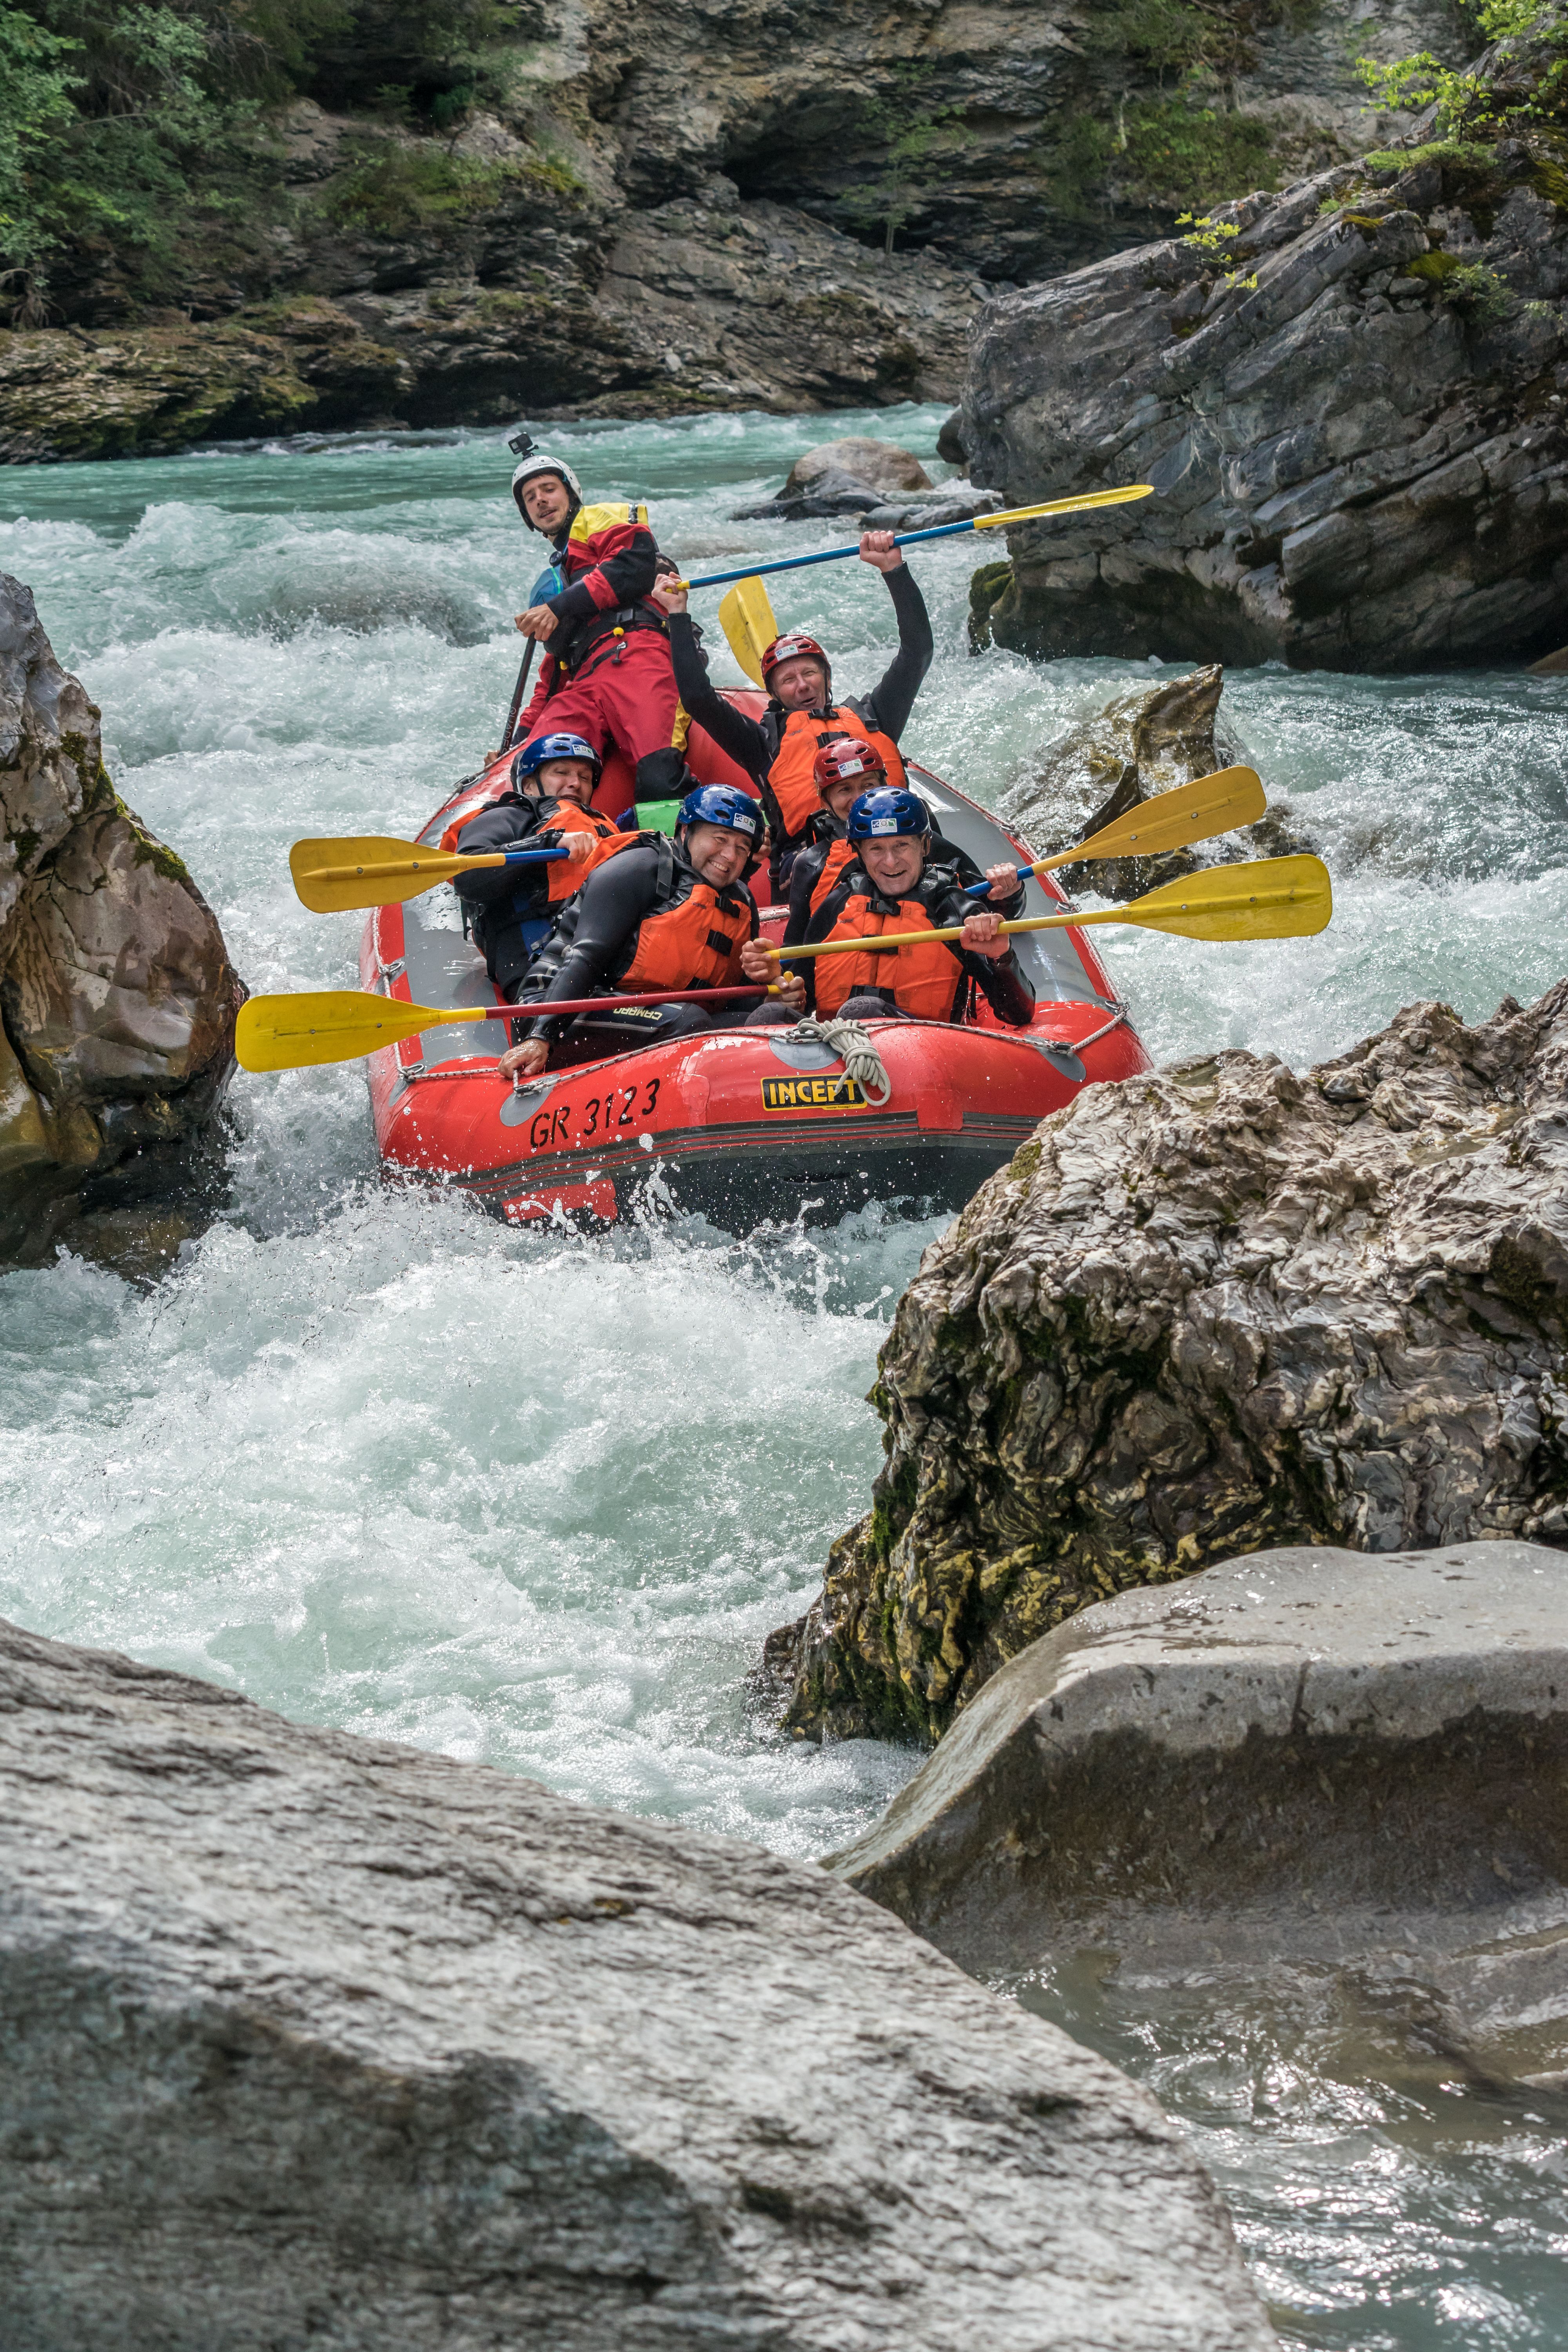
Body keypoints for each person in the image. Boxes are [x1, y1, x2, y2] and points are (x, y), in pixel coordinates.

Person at [661, 530, 934, 893]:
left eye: (809, 673)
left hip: (895, 844)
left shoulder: (873, 716)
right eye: (788, 680)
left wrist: (893, 571)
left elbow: (917, 653)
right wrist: (678, 616)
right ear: (774, 694)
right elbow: (698, 699)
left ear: (826, 677)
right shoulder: (761, 742)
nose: (802, 686)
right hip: (813, 866)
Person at [497, 782, 806, 1081]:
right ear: (685, 831)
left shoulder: (742, 902)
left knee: (773, 1019)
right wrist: (541, 1036)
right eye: (720, 839)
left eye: (742, 848)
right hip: (556, 1008)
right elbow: (586, 957)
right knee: (689, 1020)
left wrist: (770, 994)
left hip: (667, 1016)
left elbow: (727, 1001)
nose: (730, 856)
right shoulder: (640, 866)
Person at [508, 446, 679, 796]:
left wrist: (558, 607)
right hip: (584, 683)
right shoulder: (554, 581)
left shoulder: (598, 517)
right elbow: (552, 675)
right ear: (527, 514)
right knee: (535, 770)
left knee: (658, 776)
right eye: (530, 498)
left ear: (571, 494)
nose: (541, 500)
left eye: (549, 489)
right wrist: (516, 745)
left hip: (636, 654)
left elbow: (633, 563)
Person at [789, 786, 1034, 1027]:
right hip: (833, 1046)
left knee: (865, 1009)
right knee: (774, 1012)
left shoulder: (955, 908)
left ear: (925, 846)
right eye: (876, 849)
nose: (890, 862)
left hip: (924, 1046)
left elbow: (1018, 1015)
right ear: (860, 853)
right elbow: (803, 990)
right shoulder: (839, 902)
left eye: (902, 846)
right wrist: (789, 996)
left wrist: (1001, 956)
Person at [449, 734, 632, 998]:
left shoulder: (605, 829)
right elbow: (468, 876)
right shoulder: (508, 817)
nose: (576, 783)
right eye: (562, 773)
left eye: (584, 777)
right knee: (686, 1017)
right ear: (530, 786)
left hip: (605, 967)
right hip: (541, 977)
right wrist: (549, 842)